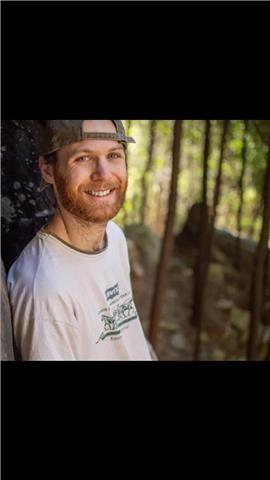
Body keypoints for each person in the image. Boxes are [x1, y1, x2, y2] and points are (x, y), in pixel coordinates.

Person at [7, 120, 155, 361]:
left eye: (114, 155)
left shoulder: (114, 237)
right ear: (48, 170)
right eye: (83, 158)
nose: (103, 174)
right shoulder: (45, 290)